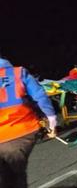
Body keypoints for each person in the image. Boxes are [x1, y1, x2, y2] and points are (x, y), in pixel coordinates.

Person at [0, 57, 57, 188]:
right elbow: (40, 97)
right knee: (15, 174)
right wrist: (52, 123)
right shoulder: (18, 72)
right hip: (21, 132)